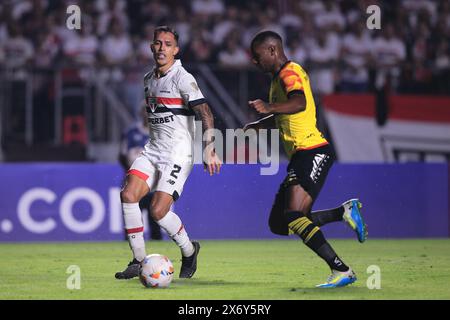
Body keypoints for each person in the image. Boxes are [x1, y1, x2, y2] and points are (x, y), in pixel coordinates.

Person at [245, 31, 367, 288]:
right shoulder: (278, 79)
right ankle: (342, 212)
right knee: (279, 223)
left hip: (312, 150)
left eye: (257, 57)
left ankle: (342, 269)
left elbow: (299, 102)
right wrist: (262, 123)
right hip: (302, 154)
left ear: (272, 51)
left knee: (294, 214)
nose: (255, 62)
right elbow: (287, 113)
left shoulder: (289, 73)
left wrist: (269, 107)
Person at [115, 26, 221, 280]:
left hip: (178, 153)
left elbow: (205, 113)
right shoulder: (148, 79)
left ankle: (189, 250)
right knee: (128, 194)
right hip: (153, 150)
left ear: (176, 49)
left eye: (168, 44)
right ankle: (139, 260)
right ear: (152, 47)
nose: (162, 47)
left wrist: (209, 150)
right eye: (158, 43)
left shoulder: (183, 78)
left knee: (158, 211)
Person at [118, 102, 162, 241]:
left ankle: (157, 256)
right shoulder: (130, 134)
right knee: (132, 222)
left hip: (153, 185)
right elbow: (122, 156)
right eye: (145, 110)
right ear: (140, 113)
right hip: (134, 183)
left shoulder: (161, 134)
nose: (147, 113)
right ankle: (132, 252)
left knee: (155, 221)